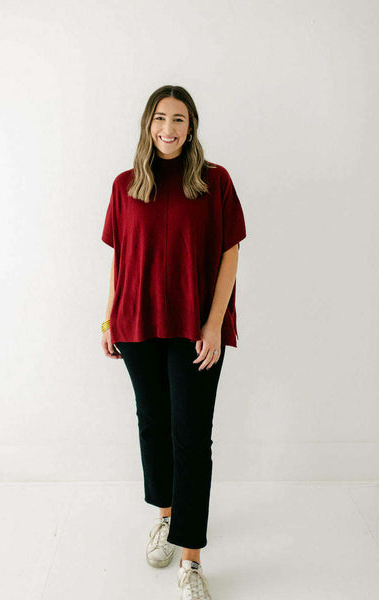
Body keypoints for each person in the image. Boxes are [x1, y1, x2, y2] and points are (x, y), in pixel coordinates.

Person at [100, 85, 246, 600]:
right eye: (160, 118)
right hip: (137, 325)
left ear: (191, 126)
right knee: (154, 426)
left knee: (192, 437)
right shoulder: (125, 186)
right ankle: (165, 517)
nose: (169, 128)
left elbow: (230, 252)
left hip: (194, 329)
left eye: (179, 119)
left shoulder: (214, 181)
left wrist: (214, 323)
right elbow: (120, 257)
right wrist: (109, 318)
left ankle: (191, 559)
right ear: (148, 124)